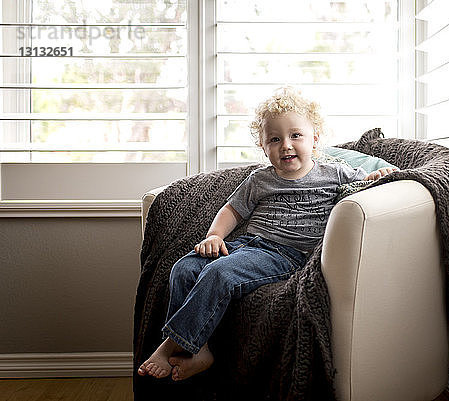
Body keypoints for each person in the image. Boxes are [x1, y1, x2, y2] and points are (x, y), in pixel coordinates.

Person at [137, 87, 398, 381]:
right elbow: (231, 210)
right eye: (275, 139)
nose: (286, 145)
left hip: (287, 255)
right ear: (264, 147)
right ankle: (199, 349)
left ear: (315, 139)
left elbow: (366, 184)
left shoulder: (334, 172)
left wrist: (377, 177)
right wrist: (215, 236)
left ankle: (170, 344)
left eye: (295, 136)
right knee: (183, 268)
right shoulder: (260, 179)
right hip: (247, 245)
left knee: (220, 273)